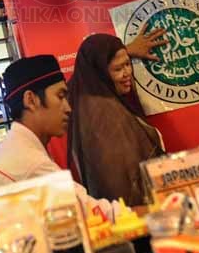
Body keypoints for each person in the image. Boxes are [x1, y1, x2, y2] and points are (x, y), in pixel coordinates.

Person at [0, 55, 113, 253]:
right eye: (60, 96)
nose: (68, 108)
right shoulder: (27, 160)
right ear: (31, 100)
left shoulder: (17, 146)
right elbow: (97, 215)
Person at [67, 32, 166, 206]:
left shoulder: (91, 99)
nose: (127, 73)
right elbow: (123, 185)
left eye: (127, 64)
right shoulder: (104, 116)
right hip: (134, 212)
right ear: (100, 74)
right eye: (118, 69)